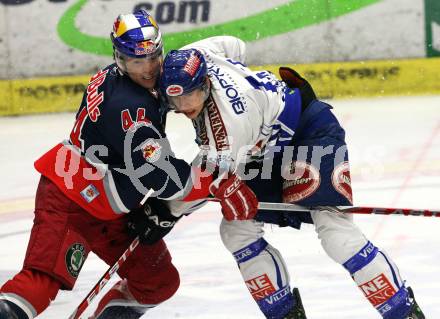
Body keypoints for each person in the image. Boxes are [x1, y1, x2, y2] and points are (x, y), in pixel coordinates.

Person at [159, 36, 426, 319]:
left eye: (189, 95)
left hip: (308, 131)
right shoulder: (195, 55)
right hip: (264, 148)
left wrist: (163, 211)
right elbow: (235, 45)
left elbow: (205, 180)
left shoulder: (228, 128)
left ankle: (405, 314)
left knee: (336, 233)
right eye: (174, 98)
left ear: (205, 83)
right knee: (237, 230)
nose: (182, 105)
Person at [0, 10, 214, 319]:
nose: (150, 69)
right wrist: (210, 181)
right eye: (138, 62)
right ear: (120, 58)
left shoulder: (117, 79)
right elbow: (160, 172)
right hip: (70, 201)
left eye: (153, 57)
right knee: (39, 286)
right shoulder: (129, 107)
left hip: (107, 204)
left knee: (157, 281)